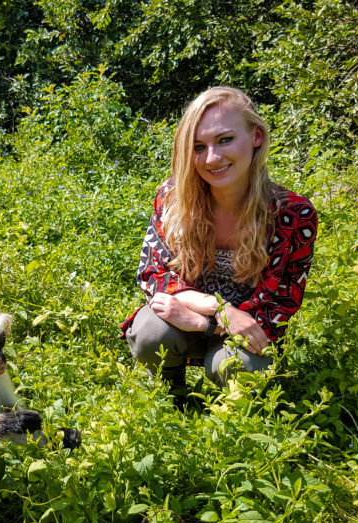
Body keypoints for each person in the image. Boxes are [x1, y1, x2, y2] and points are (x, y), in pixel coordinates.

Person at [120, 86, 317, 398]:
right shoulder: (172, 197)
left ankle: (232, 410)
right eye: (198, 146)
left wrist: (209, 325)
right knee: (150, 332)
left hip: (245, 331)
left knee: (240, 369)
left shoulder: (294, 215)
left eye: (225, 140)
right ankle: (171, 394)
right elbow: (152, 275)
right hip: (180, 322)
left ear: (256, 137)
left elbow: (282, 304)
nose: (211, 158)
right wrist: (219, 311)